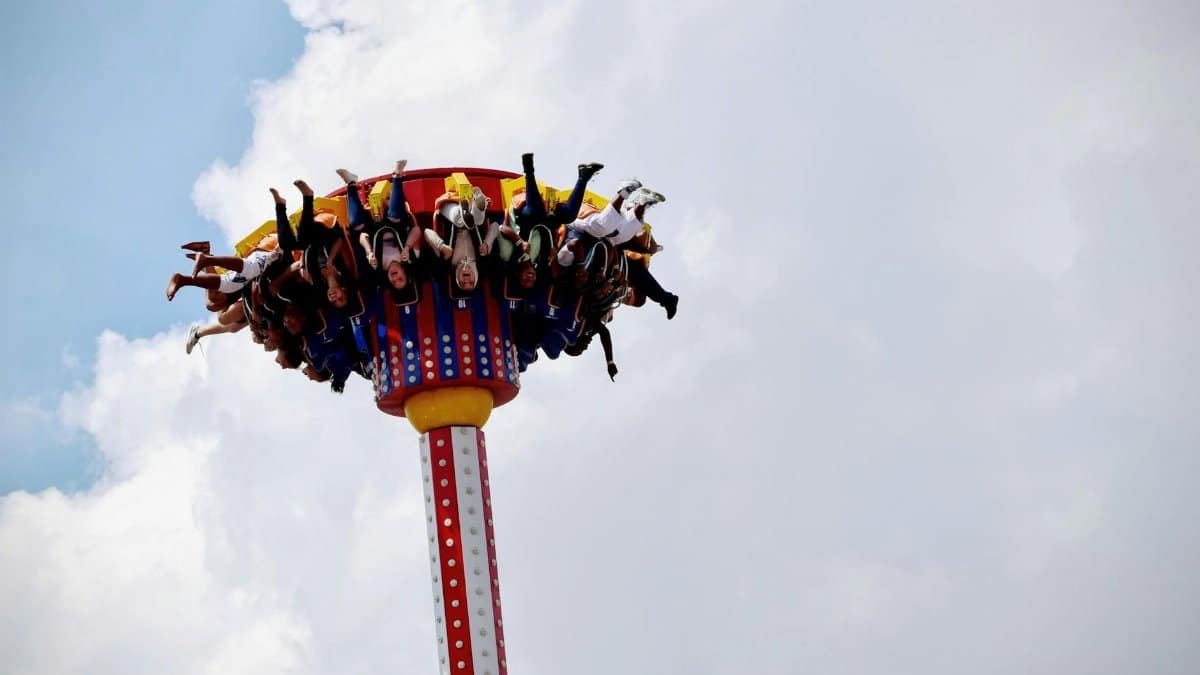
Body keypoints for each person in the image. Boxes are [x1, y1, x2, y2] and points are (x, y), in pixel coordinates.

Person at [336, 161, 423, 294]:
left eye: (393, 282)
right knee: (395, 216)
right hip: (394, 221)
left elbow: (362, 237)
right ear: (405, 273)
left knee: (356, 225)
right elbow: (417, 230)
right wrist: (407, 247)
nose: (395, 278)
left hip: (373, 227)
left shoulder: (378, 266)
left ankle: (351, 183)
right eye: (401, 279)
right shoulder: (410, 257)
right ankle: (397, 175)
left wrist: (369, 252)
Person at [165, 234, 282, 302]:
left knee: (228, 285)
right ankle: (206, 259)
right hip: (272, 255)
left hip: (263, 270)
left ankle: (183, 280)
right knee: (252, 269)